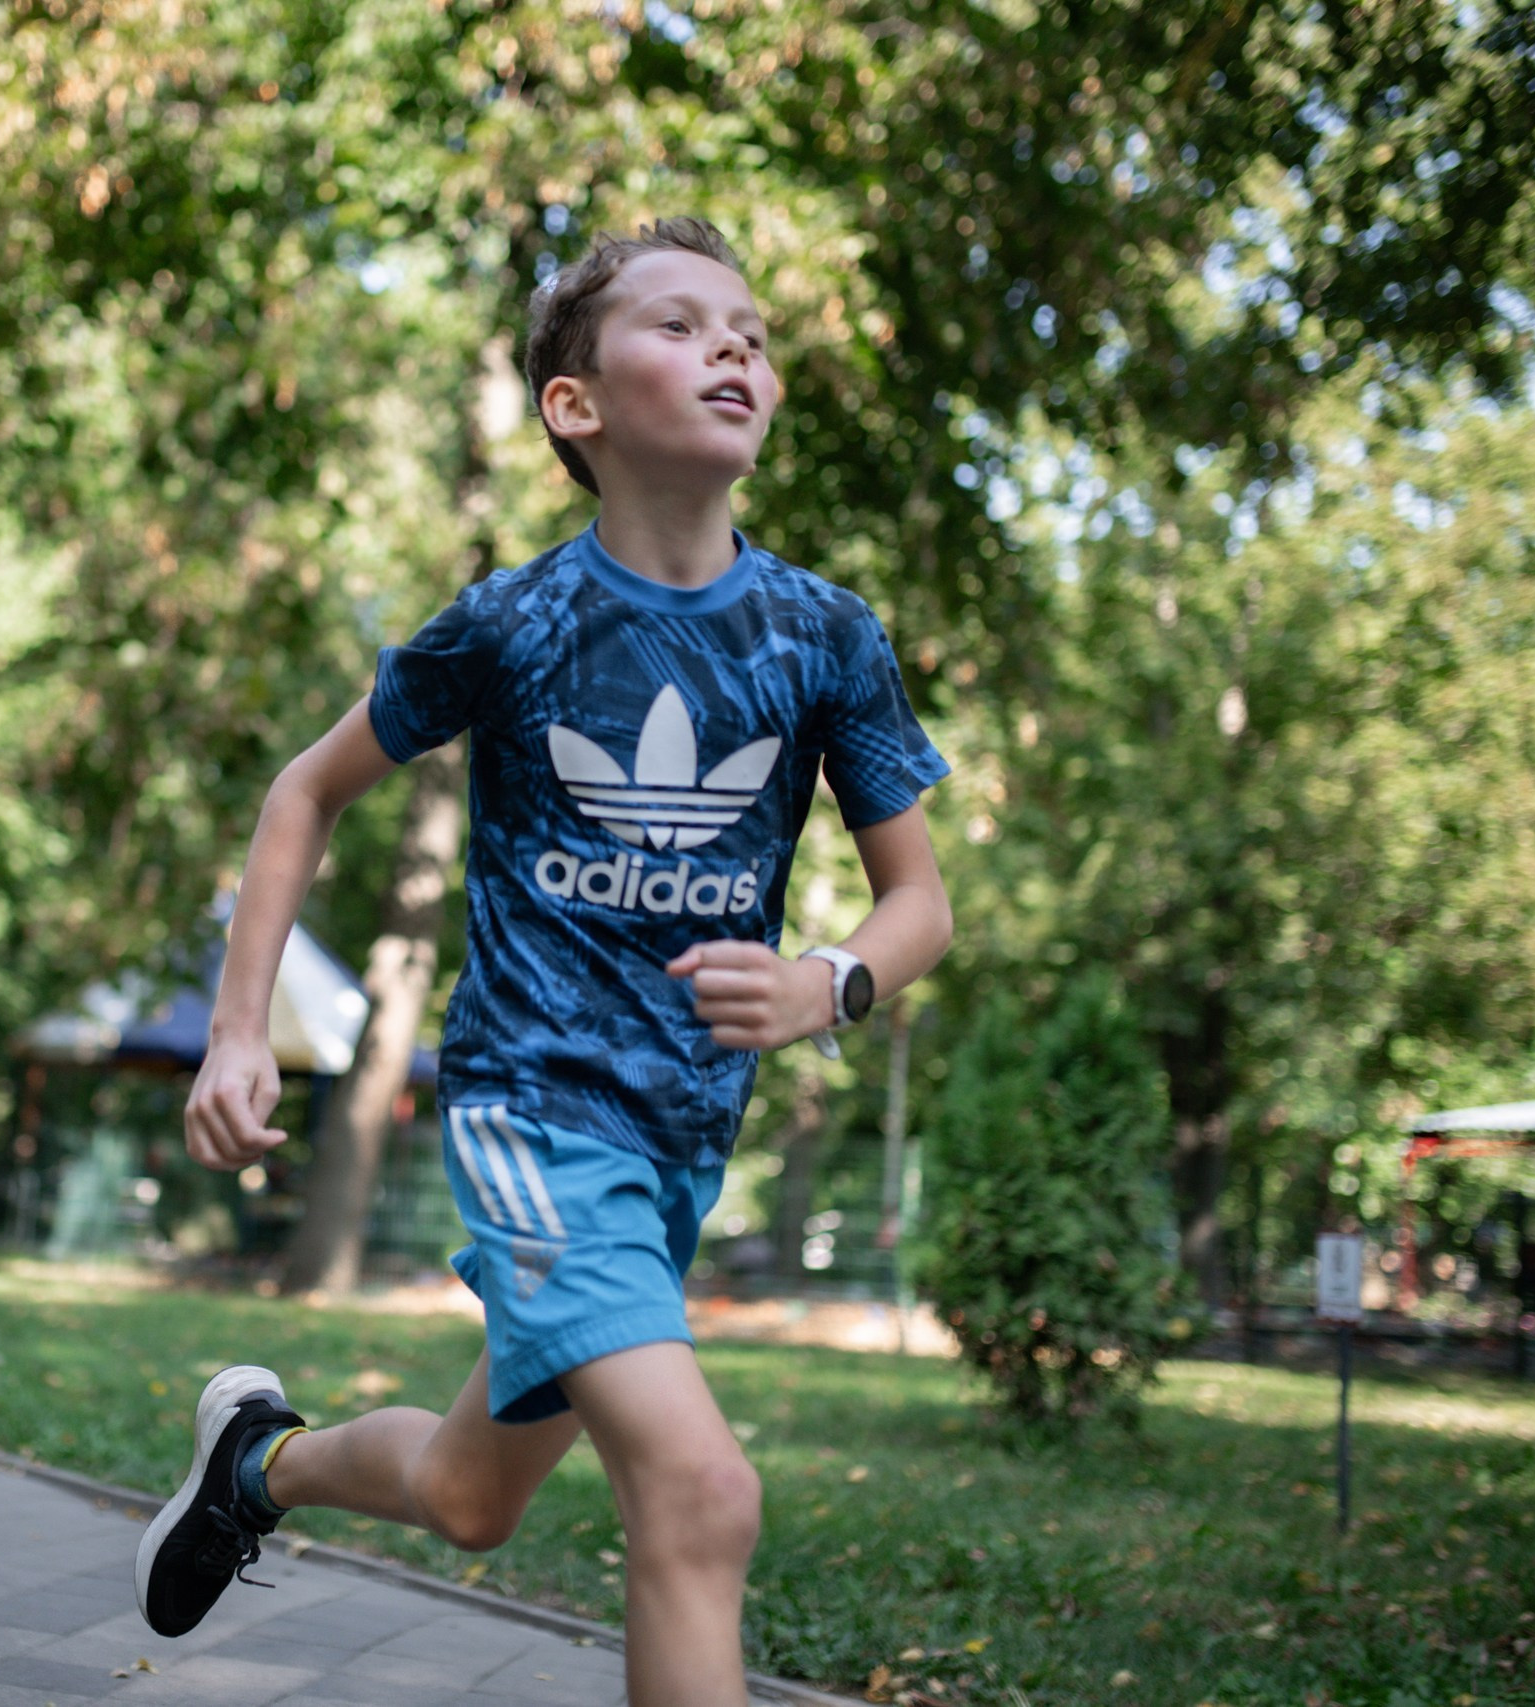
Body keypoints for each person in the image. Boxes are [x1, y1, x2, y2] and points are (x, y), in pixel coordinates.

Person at [139, 219, 955, 1706]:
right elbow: (303, 793)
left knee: (470, 1495)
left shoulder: (826, 634)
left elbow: (920, 903)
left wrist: (823, 978)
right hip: (530, 1113)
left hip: (678, 1146)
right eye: (683, 324)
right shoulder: (516, 623)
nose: (734, 348)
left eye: (752, 332)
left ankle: (256, 1462)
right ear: (573, 405)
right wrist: (238, 1029)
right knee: (703, 1494)